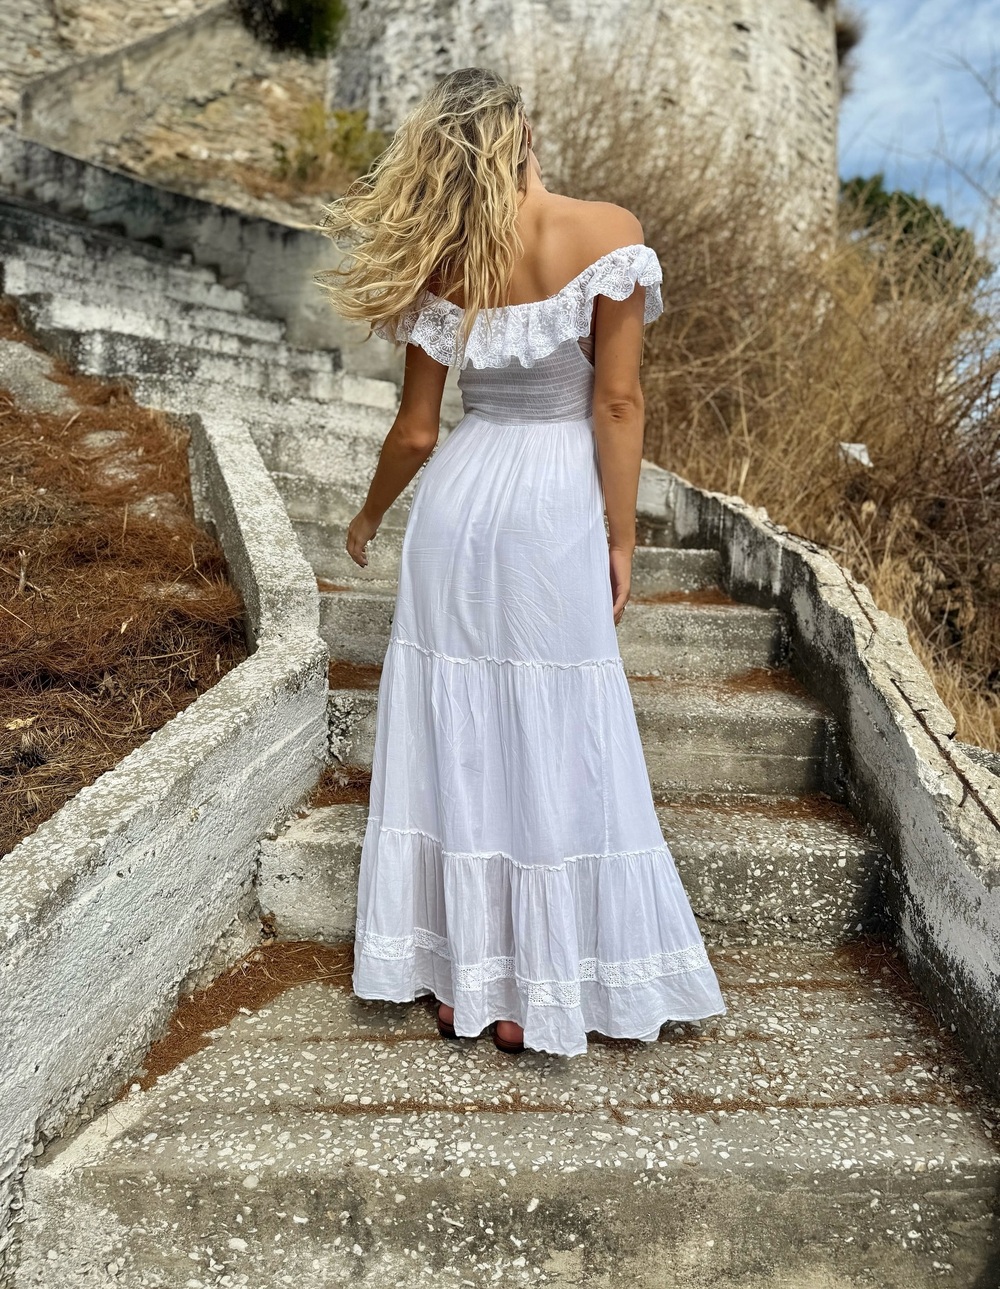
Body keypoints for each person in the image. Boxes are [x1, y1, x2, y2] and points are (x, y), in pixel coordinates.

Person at [316, 66, 726, 1057]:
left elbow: (417, 432)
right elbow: (616, 402)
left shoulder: (445, 265)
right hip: (552, 506)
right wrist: (622, 533)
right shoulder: (608, 233)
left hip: (460, 506)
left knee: (460, 734)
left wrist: (369, 515)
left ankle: (467, 973)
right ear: (524, 134)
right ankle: (536, 980)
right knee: (553, 723)